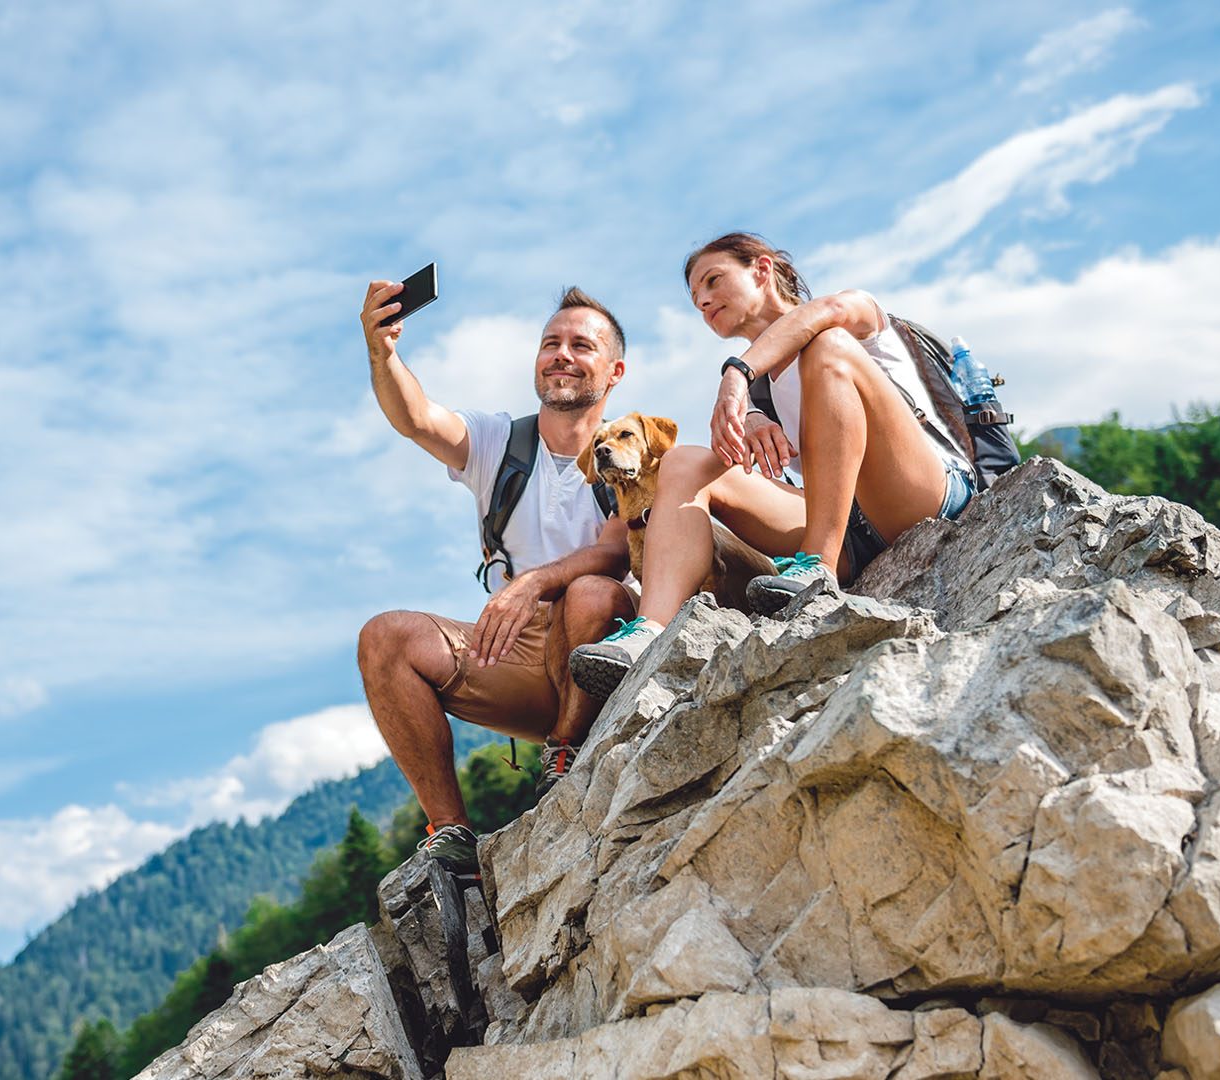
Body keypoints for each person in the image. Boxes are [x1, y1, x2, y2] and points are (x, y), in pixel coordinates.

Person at [570, 233, 978, 683]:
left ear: (762, 270)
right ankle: (649, 632)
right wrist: (752, 414)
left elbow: (825, 315)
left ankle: (817, 569)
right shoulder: (758, 396)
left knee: (827, 346)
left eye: (713, 280)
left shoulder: (854, 311)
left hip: (920, 494)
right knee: (683, 462)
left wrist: (736, 374)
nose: (704, 302)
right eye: (695, 299)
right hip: (842, 528)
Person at [356, 280, 638, 878]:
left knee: (588, 592)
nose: (561, 354)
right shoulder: (501, 442)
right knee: (386, 637)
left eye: (580, 346)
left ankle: (564, 758)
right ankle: (451, 836)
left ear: (614, 371)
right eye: (550, 342)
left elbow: (615, 554)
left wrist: (534, 582)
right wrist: (384, 354)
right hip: (517, 655)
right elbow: (418, 419)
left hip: (599, 648)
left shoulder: (630, 449)